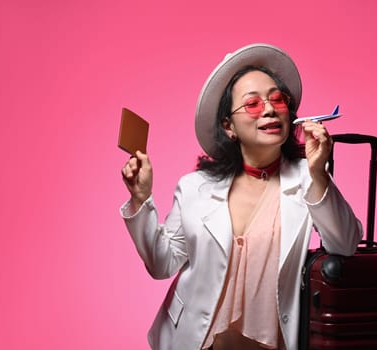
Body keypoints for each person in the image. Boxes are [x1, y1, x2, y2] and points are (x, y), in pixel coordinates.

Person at [120, 43, 363, 350]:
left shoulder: (306, 177)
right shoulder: (195, 187)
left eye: (277, 99)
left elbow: (345, 242)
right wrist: (141, 200)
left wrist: (318, 174)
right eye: (253, 104)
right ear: (229, 127)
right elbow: (161, 263)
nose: (270, 109)